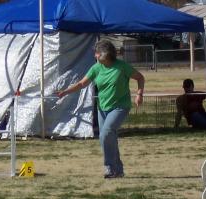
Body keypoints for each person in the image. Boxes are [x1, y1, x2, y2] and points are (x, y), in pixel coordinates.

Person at [57, 39, 145, 178]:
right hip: (102, 108)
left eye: (97, 53)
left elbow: (140, 78)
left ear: (105, 54)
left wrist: (139, 94)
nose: (95, 56)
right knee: (107, 138)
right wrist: (65, 92)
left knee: (105, 133)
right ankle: (118, 170)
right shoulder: (96, 68)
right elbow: (81, 83)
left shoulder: (122, 66)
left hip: (120, 106)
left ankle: (109, 168)